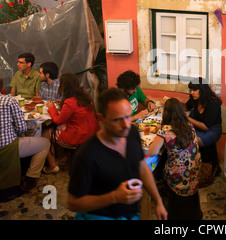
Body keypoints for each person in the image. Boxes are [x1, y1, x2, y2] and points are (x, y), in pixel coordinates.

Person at [67, 87, 167, 220]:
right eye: (117, 120)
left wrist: (158, 201)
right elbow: (73, 203)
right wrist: (114, 197)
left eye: (127, 117)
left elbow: (142, 166)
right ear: (101, 119)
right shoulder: (86, 155)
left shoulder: (132, 132)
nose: (126, 124)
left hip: (130, 214)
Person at [0, 75, 50, 193]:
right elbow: (21, 128)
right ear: (1, 88)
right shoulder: (9, 100)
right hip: (7, 149)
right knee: (45, 143)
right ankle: (31, 178)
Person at [148, 98, 202, 220]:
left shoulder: (165, 130)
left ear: (165, 113)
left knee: (161, 167)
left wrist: (160, 136)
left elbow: (152, 152)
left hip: (177, 176)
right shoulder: (190, 125)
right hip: (194, 172)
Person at [42, 73, 100, 174]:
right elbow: (77, 110)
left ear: (64, 86)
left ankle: (52, 165)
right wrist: (62, 103)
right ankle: (62, 157)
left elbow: (58, 120)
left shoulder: (70, 102)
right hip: (93, 131)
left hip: (79, 135)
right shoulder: (84, 95)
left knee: (45, 134)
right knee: (60, 128)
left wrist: (52, 108)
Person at [185, 78, 222, 177]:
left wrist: (187, 119)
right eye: (191, 90)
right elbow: (186, 107)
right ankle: (192, 167)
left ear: (202, 89)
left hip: (213, 129)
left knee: (192, 142)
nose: (192, 92)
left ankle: (199, 168)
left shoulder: (213, 103)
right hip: (198, 126)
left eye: (194, 90)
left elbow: (206, 126)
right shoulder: (195, 99)